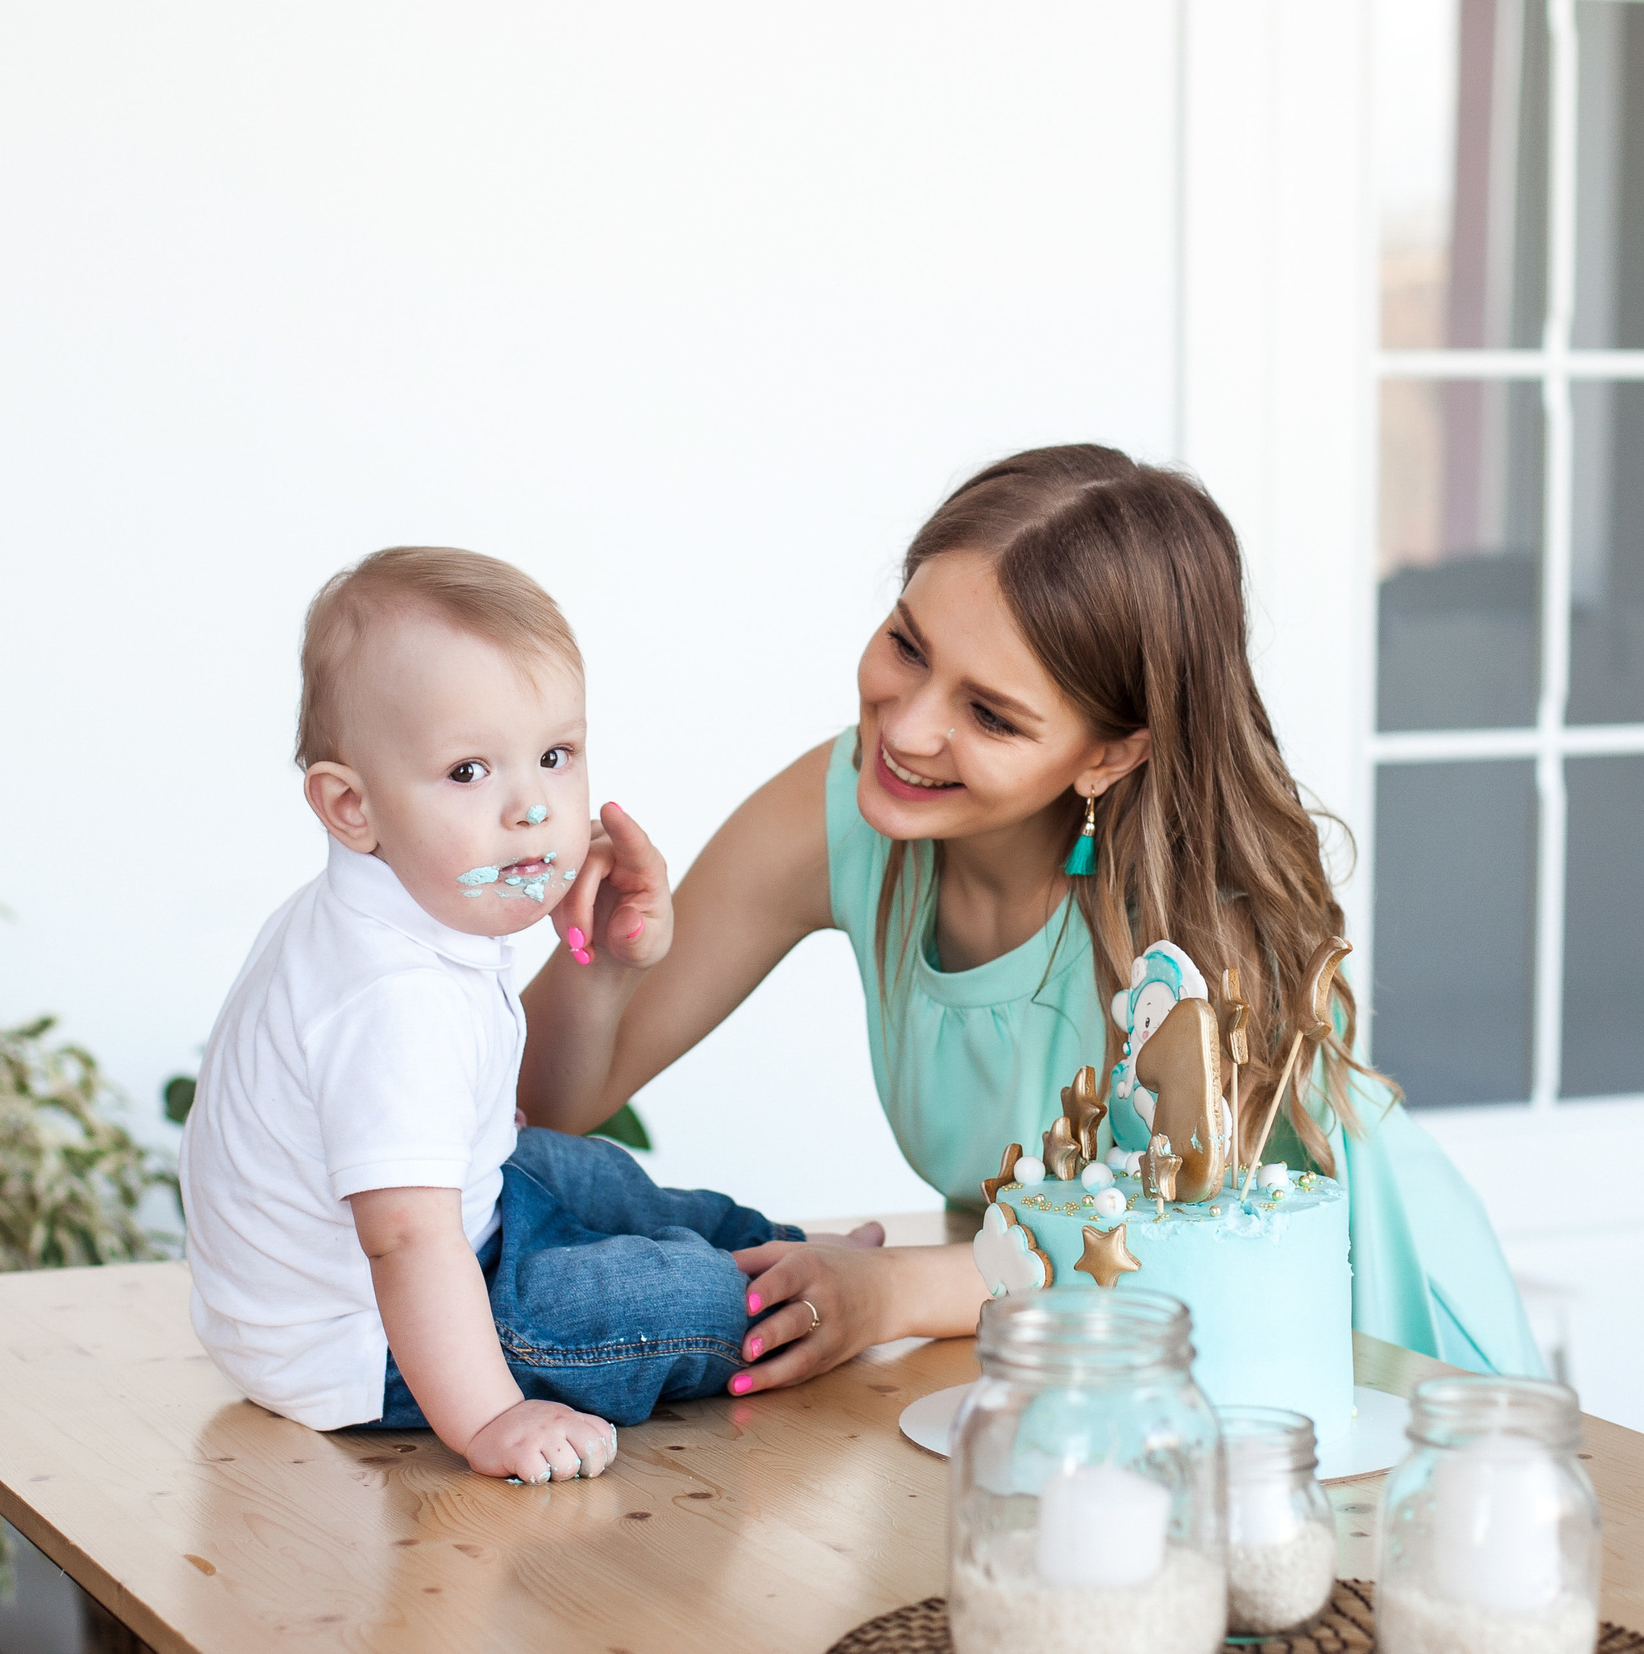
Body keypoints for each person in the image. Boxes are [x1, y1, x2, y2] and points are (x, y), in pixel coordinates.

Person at [520, 445, 1545, 1394]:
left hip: (1350, 1347)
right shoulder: (841, 803)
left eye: (990, 713)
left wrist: (893, 1293)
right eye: (906, 646)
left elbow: (1178, 1252)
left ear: (1108, 754)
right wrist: (605, 966)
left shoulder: (1188, 936)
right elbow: (536, 1109)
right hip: (1057, 1361)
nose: (908, 726)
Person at [179, 547, 833, 1485]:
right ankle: (784, 1298)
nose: (533, 810)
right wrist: (493, 1418)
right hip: (372, 1337)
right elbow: (406, 1238)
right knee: (656, 1296)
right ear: (351, 805)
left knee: (592, 1172)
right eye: (469, 769)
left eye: (555, 756)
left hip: (447, 1233)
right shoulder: (385, 994)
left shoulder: (400, 908)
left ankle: (794, 1253)